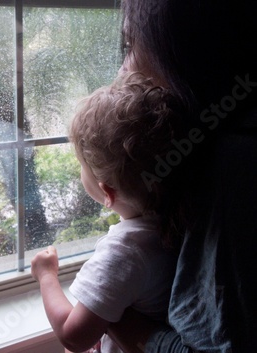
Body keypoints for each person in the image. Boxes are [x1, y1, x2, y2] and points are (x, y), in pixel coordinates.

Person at [106, 1, 257, 353]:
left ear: (186, 53)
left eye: (130, 47)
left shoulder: (235, 165)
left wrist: (112, 311)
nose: (122, 72)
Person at [31, 71, 185, 353]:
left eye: (82, 165)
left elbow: (73, 336)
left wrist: (46, 276)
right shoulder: (183, 220)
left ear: (107, 193)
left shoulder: (123, 252)